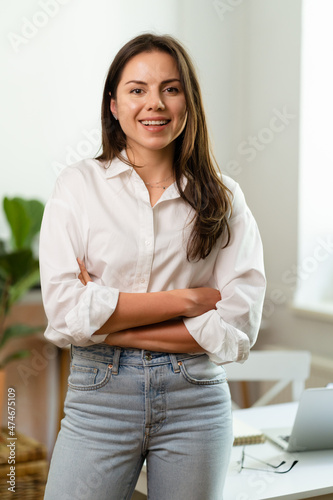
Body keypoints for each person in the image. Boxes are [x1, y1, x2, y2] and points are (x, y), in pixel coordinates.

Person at [40, 33, 266, 500]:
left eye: (171, 88)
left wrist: (106, 322)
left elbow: (238, 326)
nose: (155, 104)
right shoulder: (79, 186)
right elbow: (64, 312)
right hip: (99, 395)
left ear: (188, 101)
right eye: (137, 89)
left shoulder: (224, 196)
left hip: (196, 399)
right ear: (114, 105)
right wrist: (188, 301)